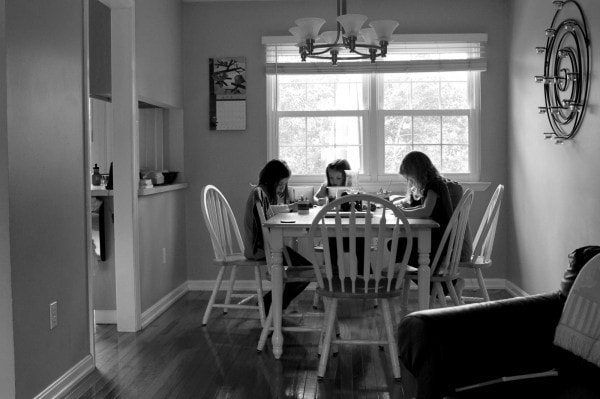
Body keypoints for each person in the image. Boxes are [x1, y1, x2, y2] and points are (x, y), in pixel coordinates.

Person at [390, 151, 468, 294]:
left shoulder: (435, 184)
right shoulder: (430, 185)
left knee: (398, 246)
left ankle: (451, 285)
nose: (410, 182)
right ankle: (440, 287)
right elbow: (423, 206)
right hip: (435, 237)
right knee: (397, 245)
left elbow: (426, 210)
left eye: (411, 177)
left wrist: (404, 213)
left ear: (418, 171)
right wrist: (408, 208)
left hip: (439, 239)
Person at [243, 159, 310, 311]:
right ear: (271, 180)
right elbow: (263, 228)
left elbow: (269, 212)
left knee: (303, 270)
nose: (282, 189)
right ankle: (270, 306)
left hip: (259, 247)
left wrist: (289, 208)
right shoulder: (259, 195)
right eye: (280, 184)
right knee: (307, 271)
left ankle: (271, 305)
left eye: (284, 185)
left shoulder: (260, 192)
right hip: (259, 249)